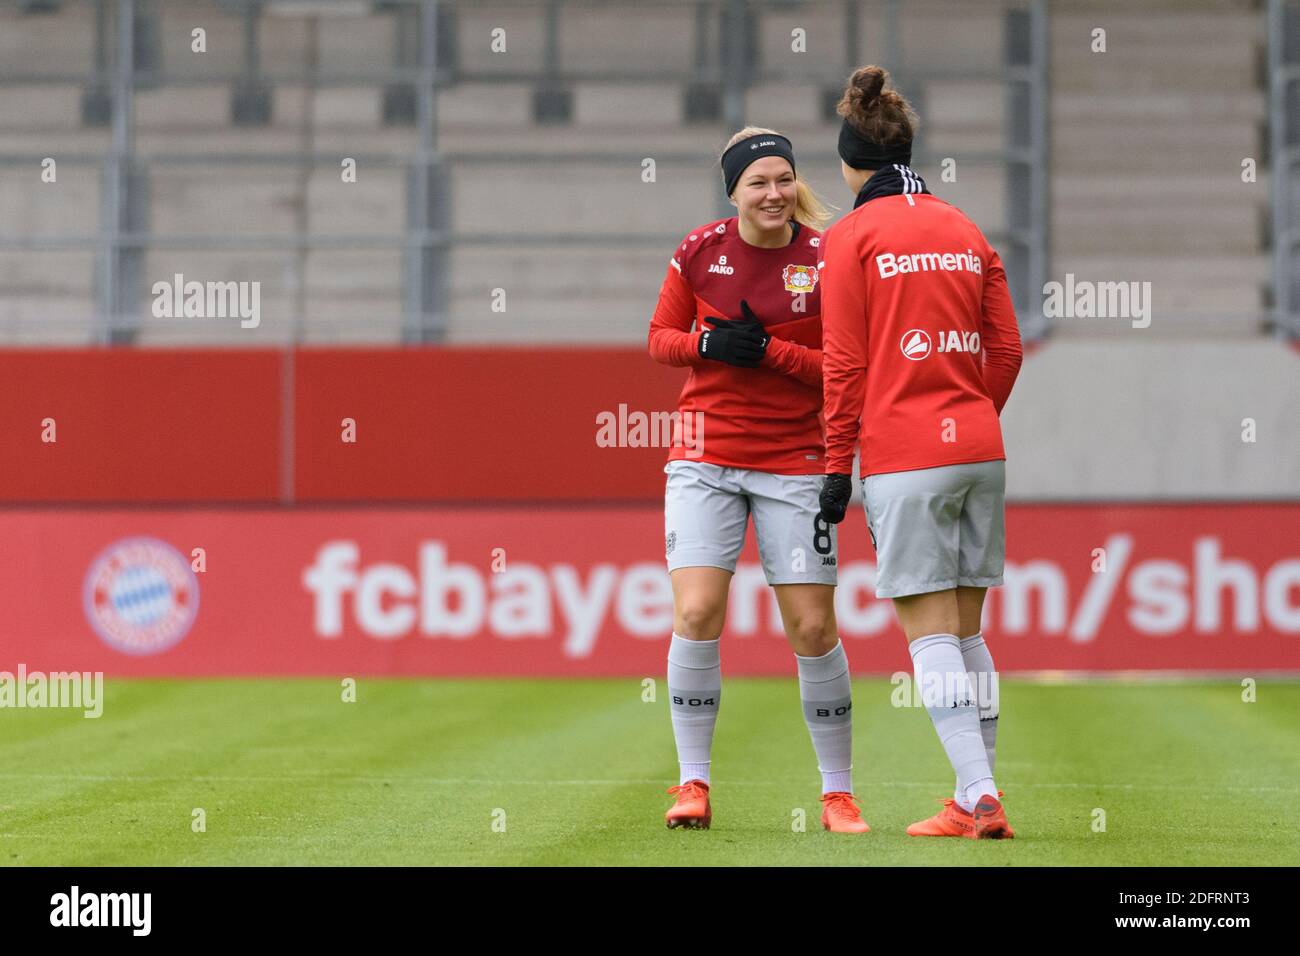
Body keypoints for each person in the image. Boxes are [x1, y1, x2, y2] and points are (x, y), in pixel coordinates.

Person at [817, 66, 1024, 839]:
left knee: (931, 634)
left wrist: (838, 466)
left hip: (906, 457)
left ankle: (980, 795)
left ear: (849, 163)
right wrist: (967, 412)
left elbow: (843, 367)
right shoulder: (964, 227)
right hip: (979, 449)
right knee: (969, 634)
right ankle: (974, 797)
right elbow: (1005, 351)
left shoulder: (853, 237)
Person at [647, 127, 868, 833]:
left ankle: (837, 793)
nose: (773, 194)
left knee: (811, 626)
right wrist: (709, 343)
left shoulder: (827, 259)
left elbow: (840, 372)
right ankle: (692, 784)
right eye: (758, 182)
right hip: (705, 454)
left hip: (794, 459)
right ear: (734, 192)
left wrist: (771, 353)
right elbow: (660, 341)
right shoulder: (699, 250)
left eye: (782, 179)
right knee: (696, 614)